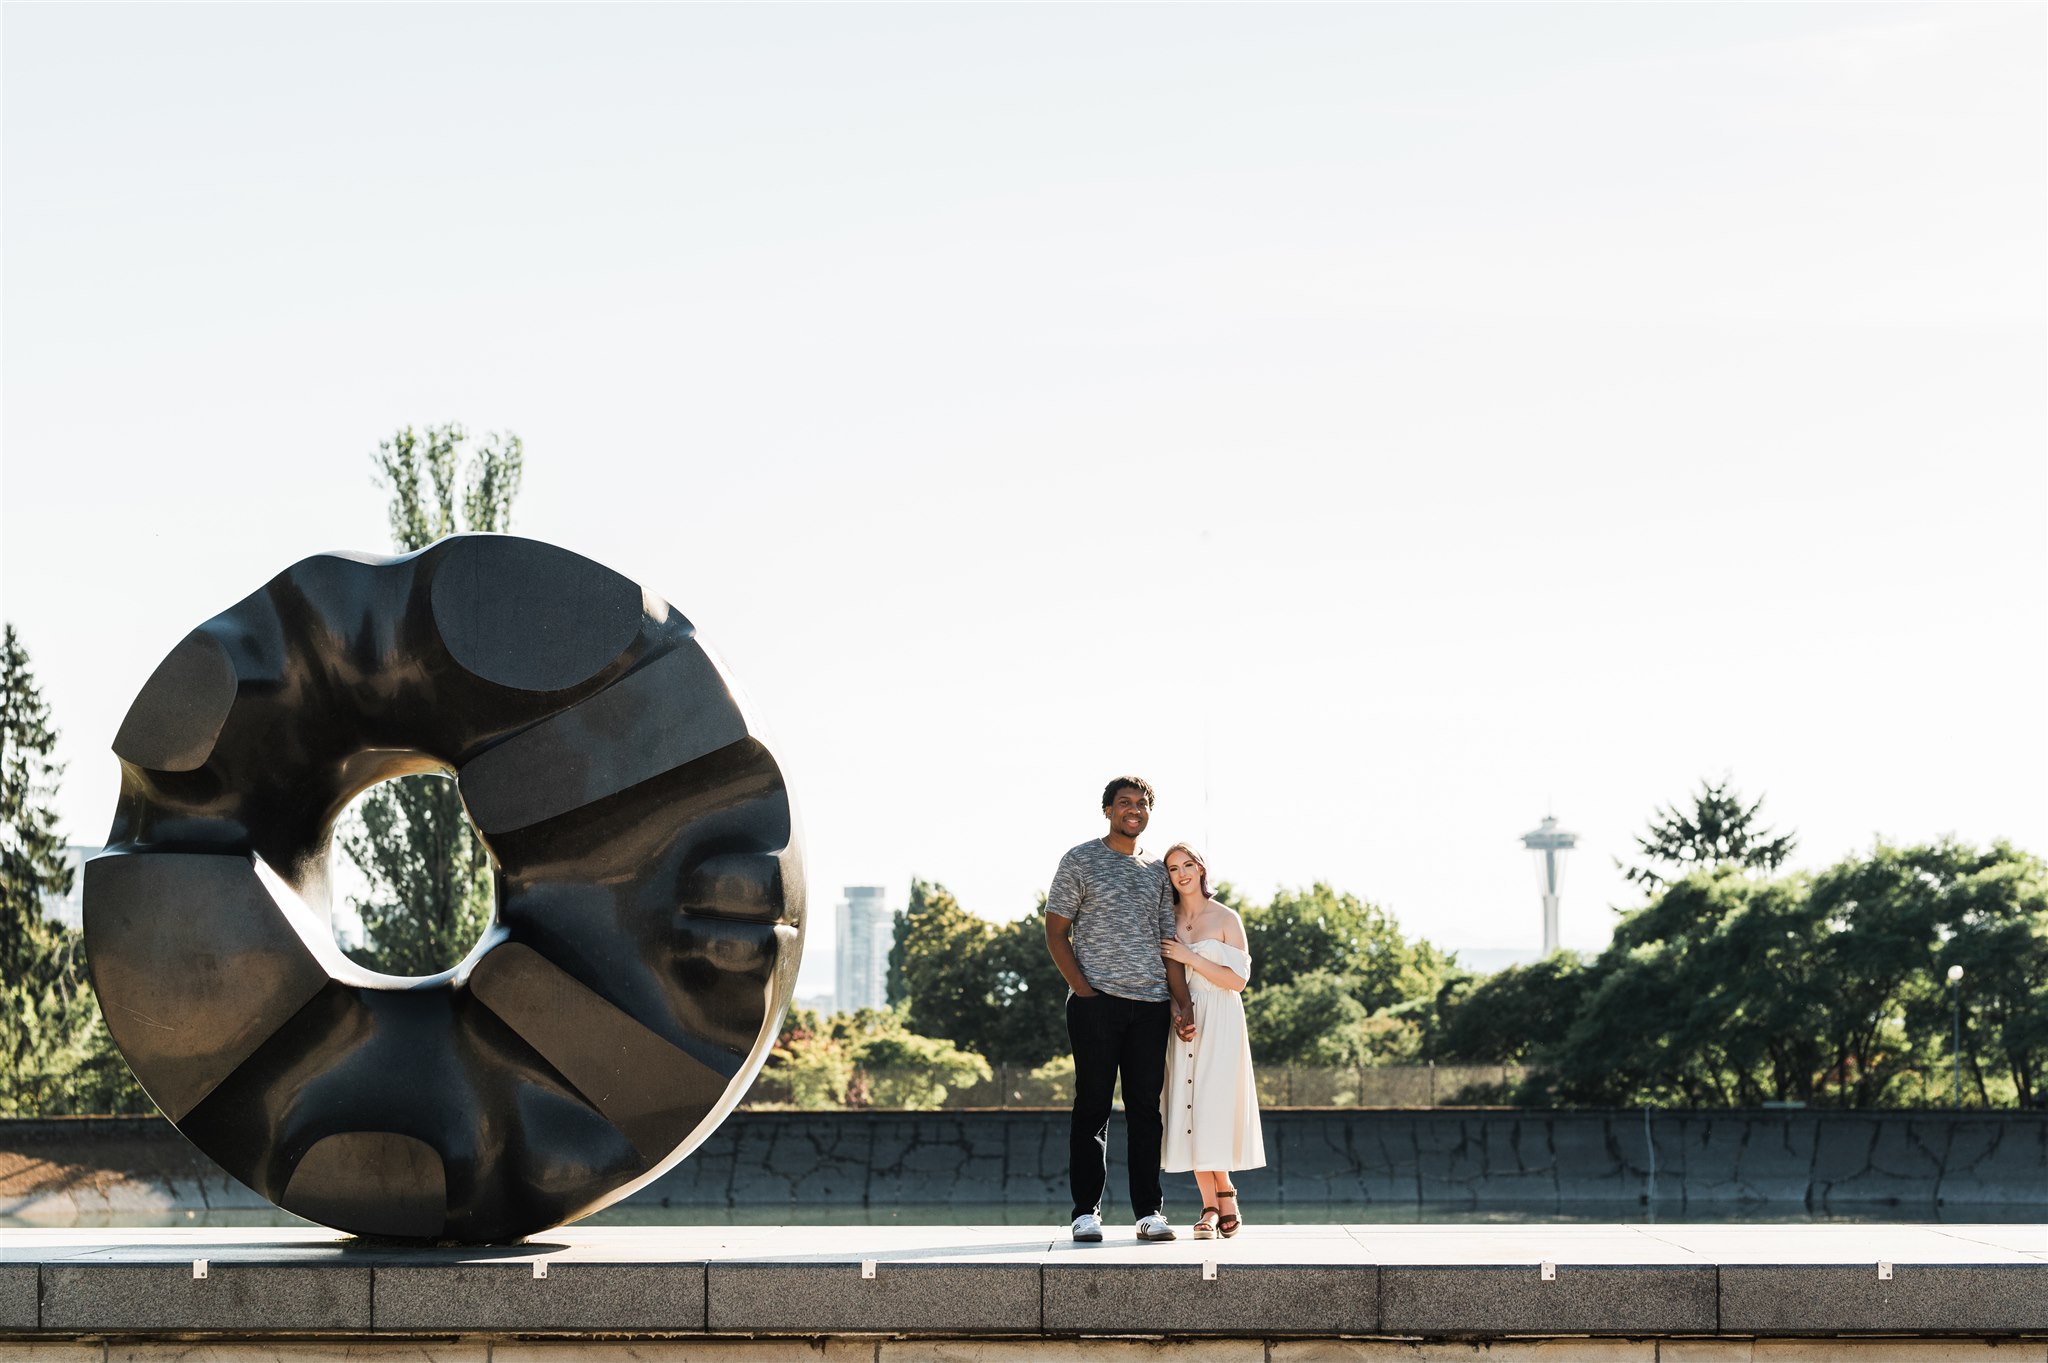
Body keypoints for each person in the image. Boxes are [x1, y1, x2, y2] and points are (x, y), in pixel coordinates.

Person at [1044, 775, 1193, 1243]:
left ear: (1150, 812)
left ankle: (1149, 1213)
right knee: (1092, 1107)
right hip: (1096, 1005)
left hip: (1151, 1005)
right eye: (1124, 803)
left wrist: (1181, 1001)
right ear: (1107, 810)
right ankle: (1085, 1213)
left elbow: (1167, 942)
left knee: (1146, 1110)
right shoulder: (1080, 860)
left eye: (1141, 803)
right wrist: (1085, 992)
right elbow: (1055, 931)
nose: (1133, 809)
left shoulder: (1156, 872)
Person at [1158, 841, 1265, 1239]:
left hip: (1220, 1018)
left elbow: (1237, 980)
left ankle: (1219, 1199)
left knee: (1211, 1106)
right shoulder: (1164, 918)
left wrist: (1192, 958)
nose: (1182, 873)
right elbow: (1163, 979)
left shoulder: (1226, 917)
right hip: (1183, 1019)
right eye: (1172, 868)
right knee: (1187, 1105)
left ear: (1202, 869)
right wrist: (1174, 1012)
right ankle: (1215, 1203)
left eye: (1188, 864)